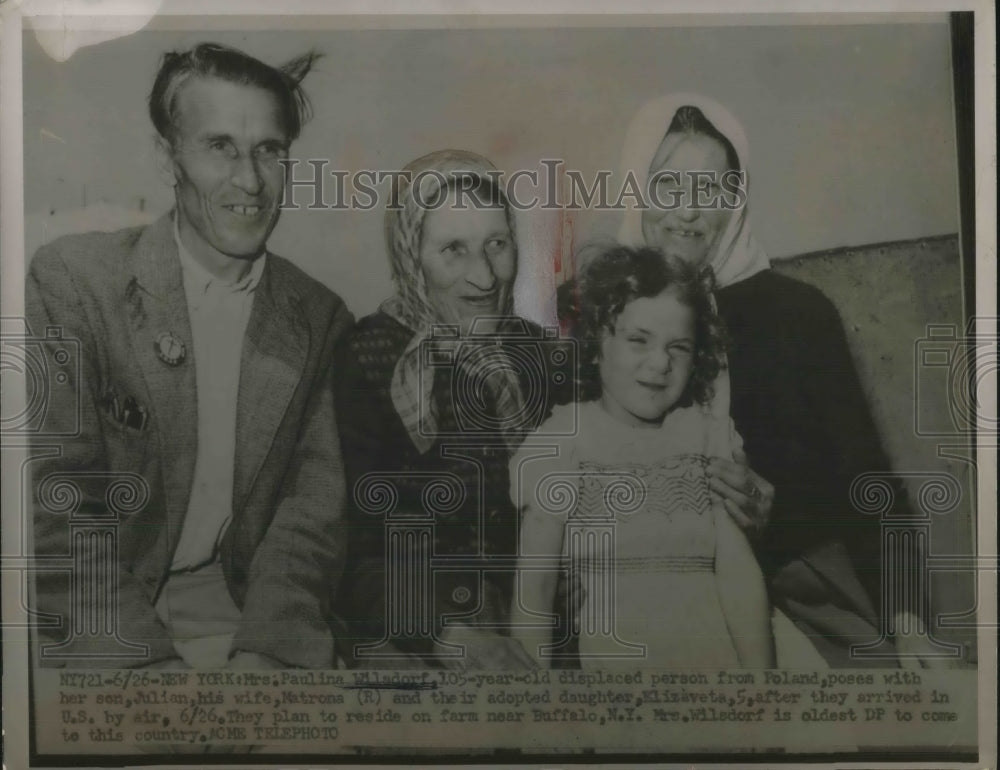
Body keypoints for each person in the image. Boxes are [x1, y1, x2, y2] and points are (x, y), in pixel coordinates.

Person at [27, 42, 353, 670]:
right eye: (220, 146)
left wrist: (270, 654)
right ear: (166, 158)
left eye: (269, 150)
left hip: (236, 609)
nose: (250, 180)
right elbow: (55, 508)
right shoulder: (73, 281)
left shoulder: (318, 316)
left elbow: (309, 518)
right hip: (99, 611)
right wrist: (148, 669)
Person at [616, 93, 921, 667]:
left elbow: (868, 481)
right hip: (643, 598)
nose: (687, 212)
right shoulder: (596, 321)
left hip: (787, 586)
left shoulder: (799, 315)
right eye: (667, 187)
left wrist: (910, 621)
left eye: (710, 191)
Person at [333, 149, 571, 669]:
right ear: (410, 256)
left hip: (542, 611)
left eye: (497, 245)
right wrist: (454, 638)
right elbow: (357, 553)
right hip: (419, 626)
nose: (485, 278)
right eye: (453, 251)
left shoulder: (541, 354)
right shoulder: (370, 358)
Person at [511, 245, 775, 669]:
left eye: (679, 347)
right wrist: (535, 715)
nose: (660, 363)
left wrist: (764, 695)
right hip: (616, 696)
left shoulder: (707, 437)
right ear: (596, 341)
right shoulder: (561, 441)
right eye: (639, 340)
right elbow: (535, 588)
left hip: (716, 681)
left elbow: (739, 577)